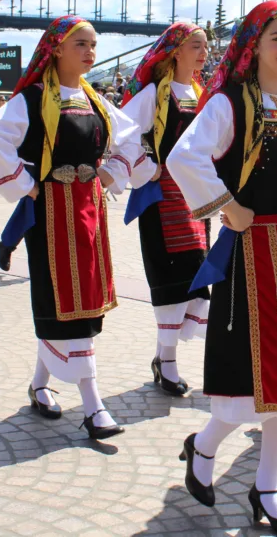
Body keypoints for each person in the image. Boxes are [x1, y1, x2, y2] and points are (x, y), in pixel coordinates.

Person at [166, 0, 277, 536]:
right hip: (248, 257)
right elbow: (183, 157)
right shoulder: (228, 105)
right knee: (250, 380)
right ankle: (204, 446)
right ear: (255, 44)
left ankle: (267, 487)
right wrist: (226, 204)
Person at [0, 15, 152, 439]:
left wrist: (112, 173)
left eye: (93, 44)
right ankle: (93, 406)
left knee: (81, 302)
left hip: (87, 210)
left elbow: (130, 136)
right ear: (55, 48)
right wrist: (26, 184)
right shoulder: (33, 99)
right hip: (53, 213)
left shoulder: (92, 98)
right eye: (81, 44)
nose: (91, 52)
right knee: (64, 303)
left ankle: (39, 384)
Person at [118, 22, 211, 396]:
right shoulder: (155, 94)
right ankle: (168, 363)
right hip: (163, 201)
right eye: (196, 45)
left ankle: (163, 356)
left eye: (206, 45)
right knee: (171, 280)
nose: (204, 52)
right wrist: (146, 166)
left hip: (195, 202)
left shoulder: (203, 94)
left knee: (195, 280)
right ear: (176, 50)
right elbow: (120, 131)